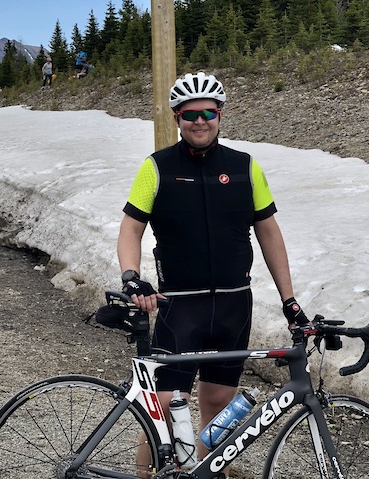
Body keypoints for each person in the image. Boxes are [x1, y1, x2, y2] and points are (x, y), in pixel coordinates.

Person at [117, 71, 308, 458]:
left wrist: (289, 301)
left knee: (220, 403)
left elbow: (269, 234)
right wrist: (131, 277)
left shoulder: (245, 167)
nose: (199, 121)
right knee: (166, 411)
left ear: (220, 114)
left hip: (234, 306)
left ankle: (210, 469)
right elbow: (130, 229)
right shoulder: (156, 168)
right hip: (180, 307)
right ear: (177, 119)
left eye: (208, 112)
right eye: (190, 114)